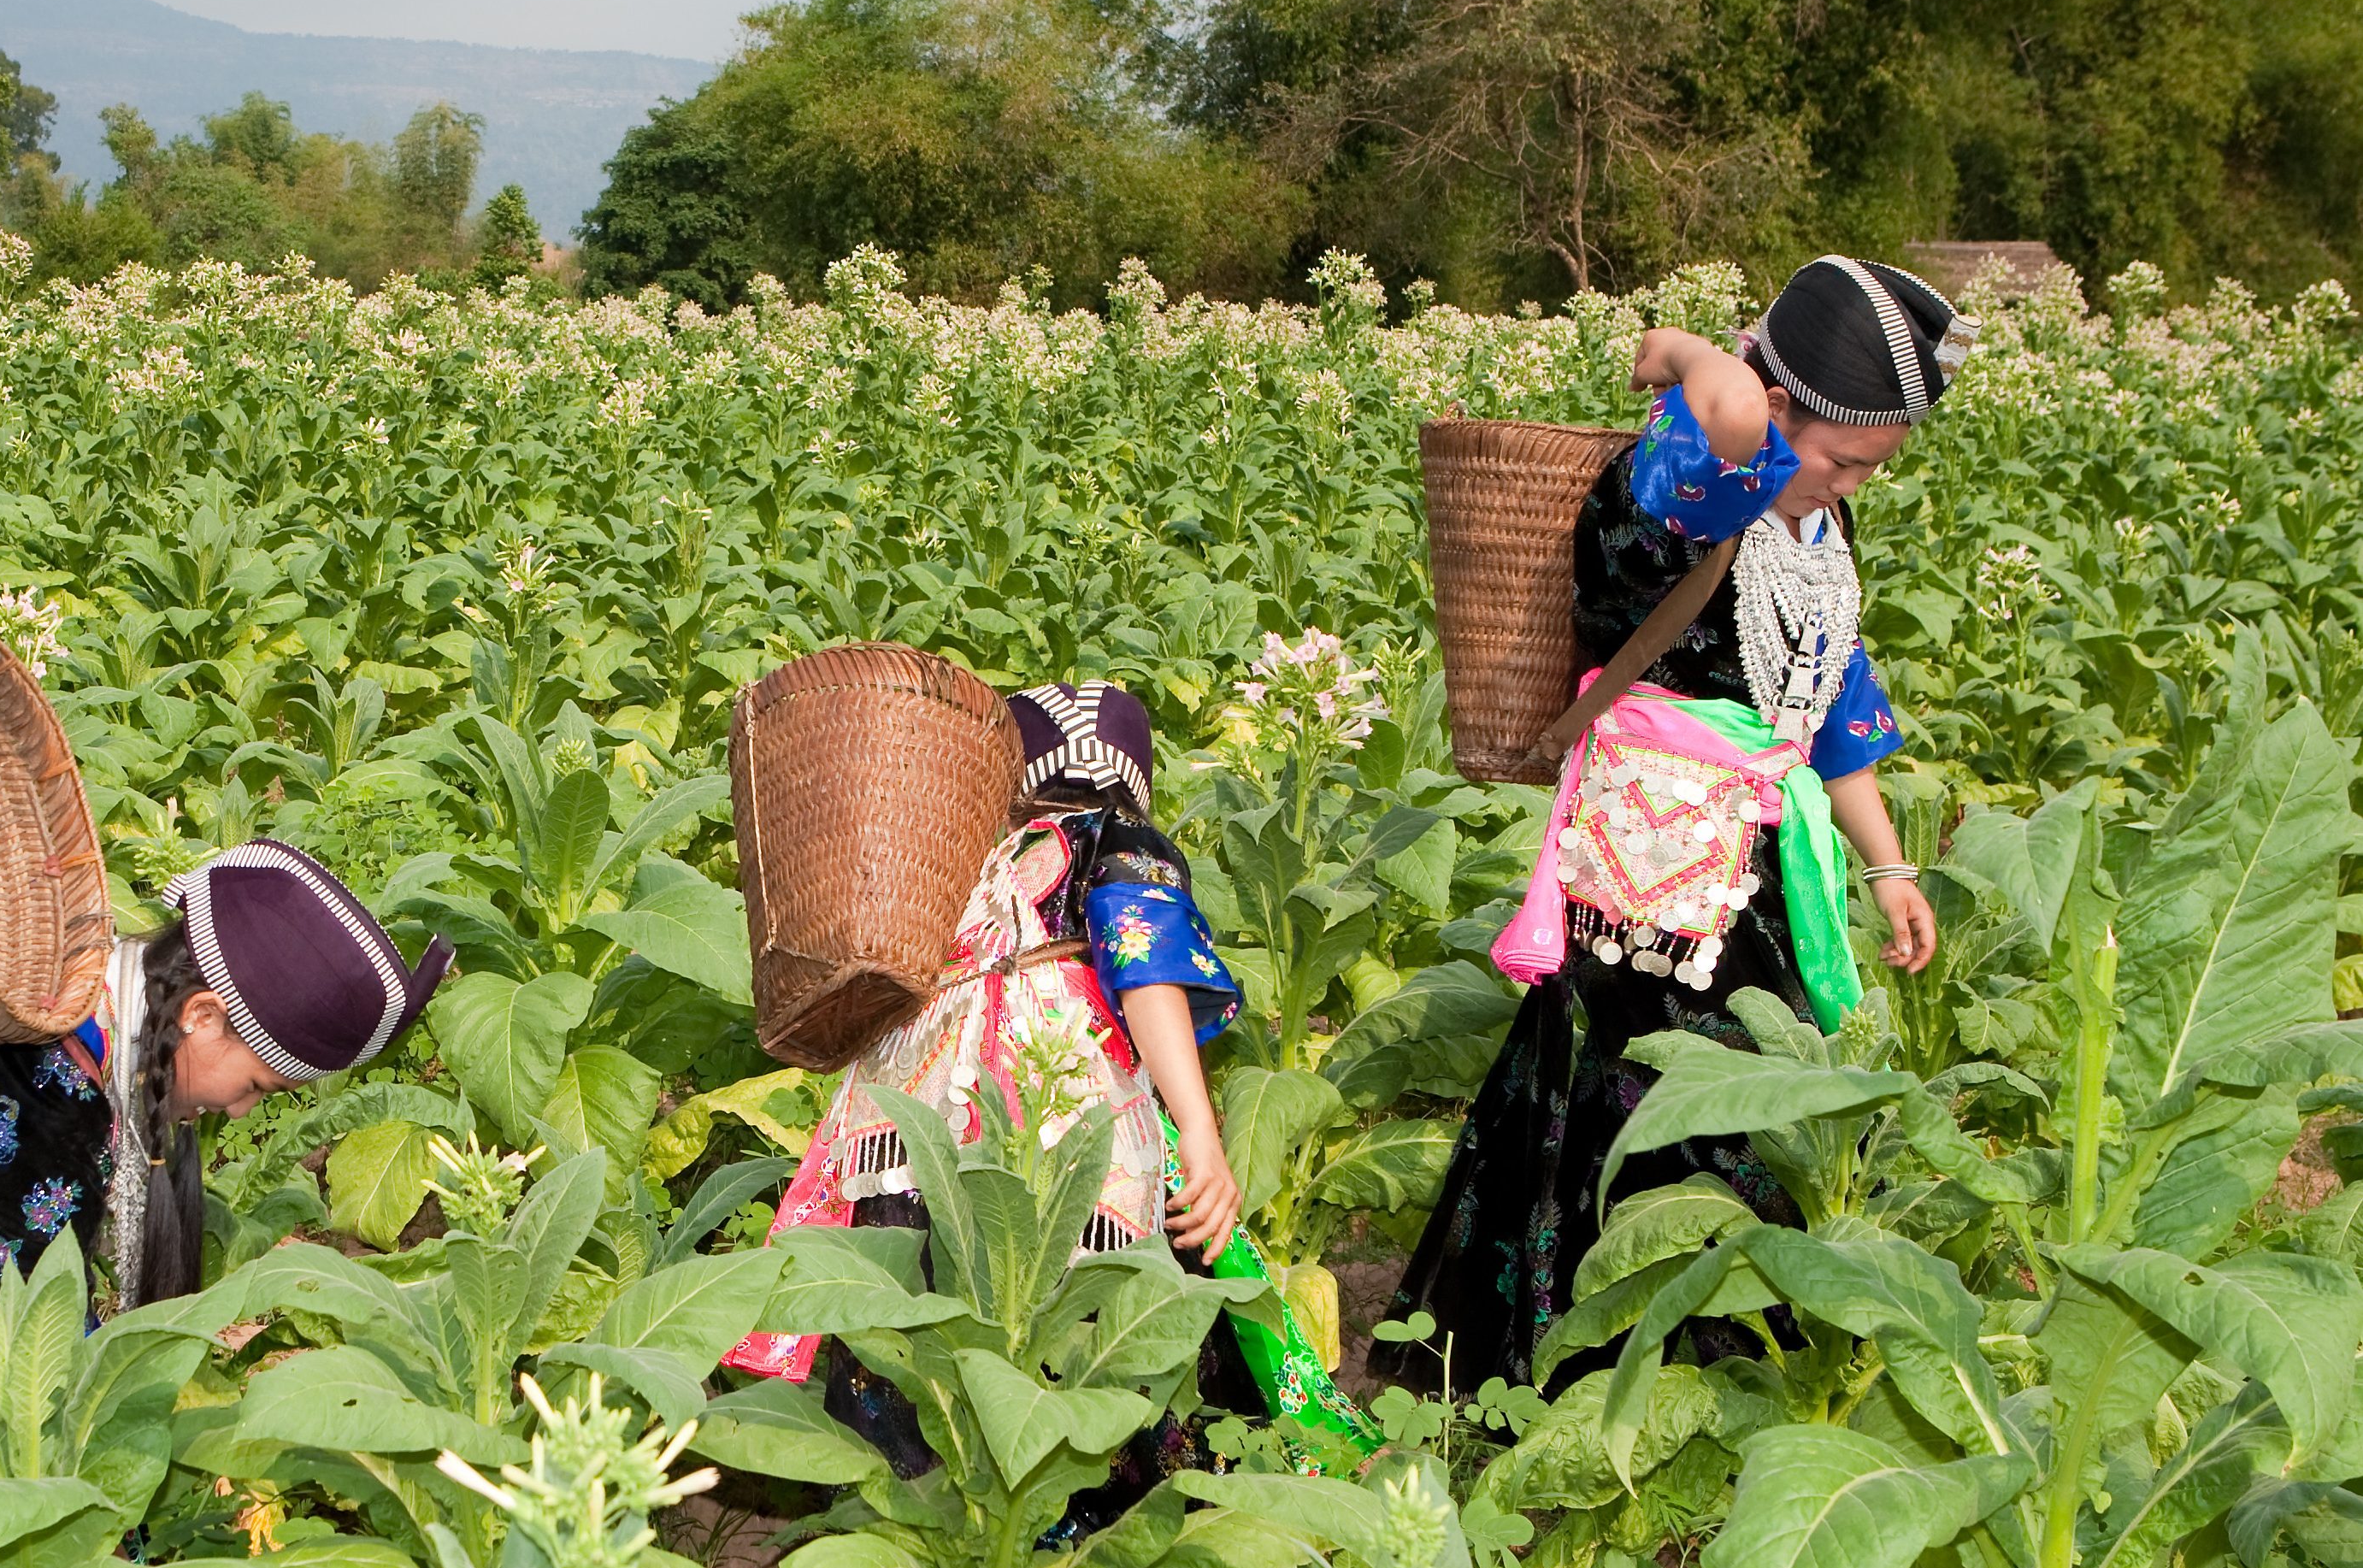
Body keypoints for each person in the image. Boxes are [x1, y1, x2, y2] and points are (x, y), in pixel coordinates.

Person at [1381, 256, 1966, 1395]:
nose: (1845, 485)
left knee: (1738, 1096)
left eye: (1869, 472)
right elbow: (1721, 402)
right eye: (1838, 458)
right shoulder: (1688, 490)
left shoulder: (1814, 537)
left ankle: (1715, 1369)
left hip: (1749, 880)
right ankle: (1591, 1371)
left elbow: (1830, 721)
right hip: (1647, 886)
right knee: (1650, 1101)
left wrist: (1889, 867)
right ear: (1778, 410)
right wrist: (1691, 353)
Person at [727, 680, 1375, 1491]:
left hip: (921, 1106)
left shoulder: (968, 860)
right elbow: (1145, 972)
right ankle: (1081, 1490)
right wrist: (1200, 1130)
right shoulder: (1115, 837)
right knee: (1076, 1269)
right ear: (1132, 777)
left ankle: (911, 1472)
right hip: (1055, 1092)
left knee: (923, 1261)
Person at [0, 839, 451, 1412]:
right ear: (201, 1016)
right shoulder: (51, 1101)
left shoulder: (75, 960)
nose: (239, 1111)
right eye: (257, 1086)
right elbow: (20, 1346)